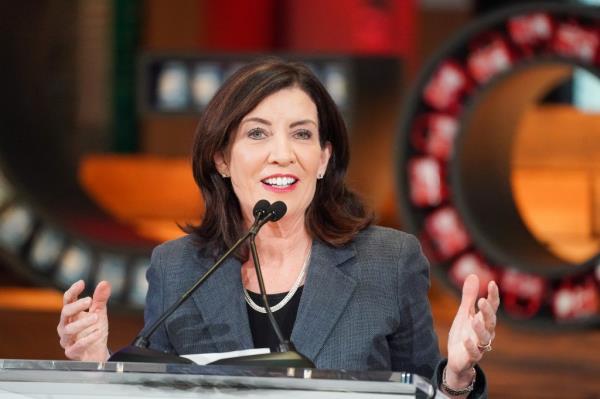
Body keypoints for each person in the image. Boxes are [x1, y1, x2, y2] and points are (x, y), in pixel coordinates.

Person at [57, 59, 498, 397]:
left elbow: (421, 390)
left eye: (302, 135)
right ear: (222, 159)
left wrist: (457, 378)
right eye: (258, 133)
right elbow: (149, 390)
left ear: (324, 158)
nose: (282, 154)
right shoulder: (177, 269)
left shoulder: (388, 262)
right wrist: (97, 366)